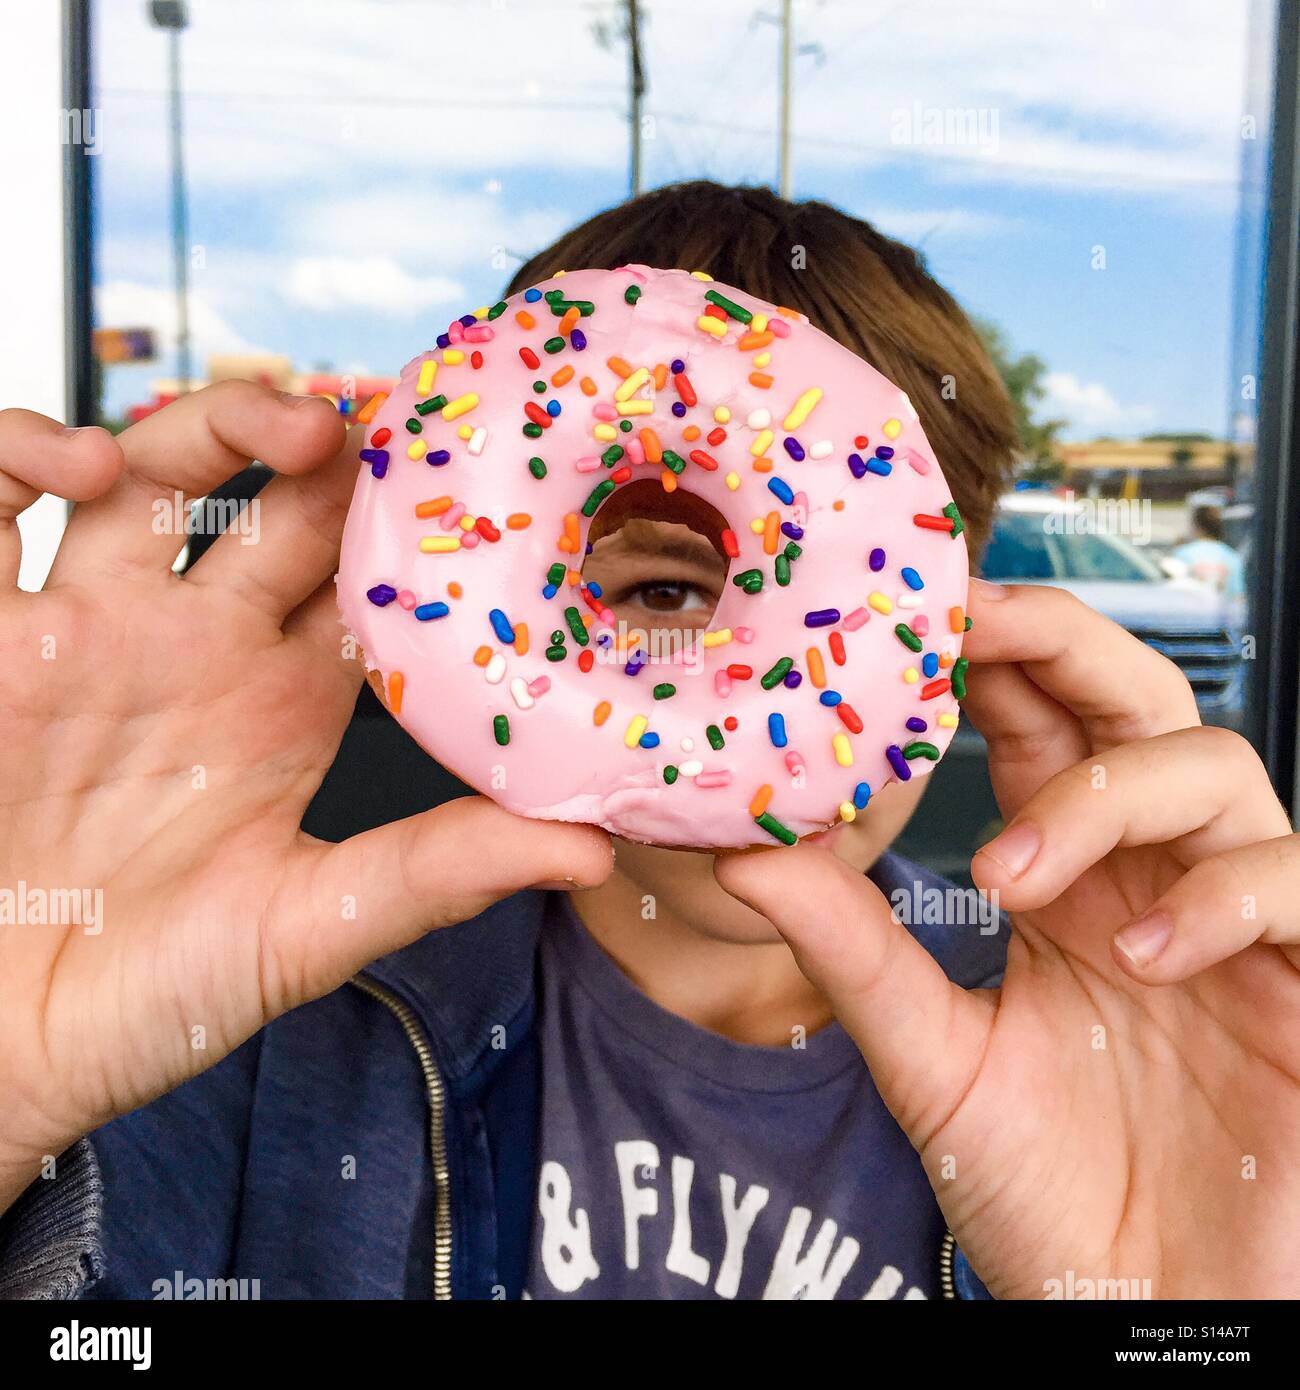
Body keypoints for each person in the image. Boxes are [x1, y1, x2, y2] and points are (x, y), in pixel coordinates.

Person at [0, 182, 1296, 1302]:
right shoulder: (272, 1040)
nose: (788, 719)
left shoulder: (1127, 1049)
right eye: (666, 592)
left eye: (892, 601)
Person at [1173, 503, 1245, 599]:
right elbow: (1238, 596)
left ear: (1196, 526)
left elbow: (1172, 590)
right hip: (1222, 611)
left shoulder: (1182, 553)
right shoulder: (1232, 556)